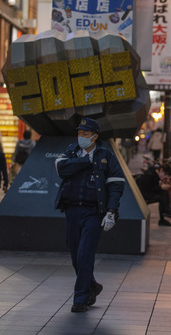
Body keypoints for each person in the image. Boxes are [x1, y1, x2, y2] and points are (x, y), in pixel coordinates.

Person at [54, 118, 125, 313]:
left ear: (95, 136)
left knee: (85, 254)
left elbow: (116, 184)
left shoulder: (105, 155)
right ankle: (92, 285)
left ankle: (81, 298)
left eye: (85, 134)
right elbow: (61, 168)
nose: (81, 137)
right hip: (72, 210)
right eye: (79, 133)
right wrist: (85, 161)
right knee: (76, 255)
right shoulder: (71, 151)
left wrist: (112, 211)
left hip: (94, 212)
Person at [136, 162, 171, 227]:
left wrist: (161, 187)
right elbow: (148, 188)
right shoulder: (149, 174)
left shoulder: (155, 174)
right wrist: (160, 187)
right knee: (161, 198)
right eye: (165, 174)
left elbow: (154, 187)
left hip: (149, 191)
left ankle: (166, 211)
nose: (164, 176)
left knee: (164, 193)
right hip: (144, 194)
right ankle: (166, 211)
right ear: (161, 170)